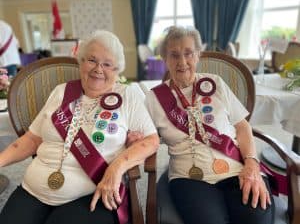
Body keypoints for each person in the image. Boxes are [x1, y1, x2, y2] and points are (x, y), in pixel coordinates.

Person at [0, 30, 159, 224]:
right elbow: (32, 139)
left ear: (118, 70)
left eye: (107, 64)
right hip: (33, 189)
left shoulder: (128, 96)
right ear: (80, 61)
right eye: (91, 60)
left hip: (91, 193)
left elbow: (151, 141)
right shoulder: (61, 92)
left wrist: (117, 168)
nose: (98, 69)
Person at [145, 26, 274, 224]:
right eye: (174, 55)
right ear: (165, 59)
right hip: (190, 177)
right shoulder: (155, 98)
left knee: (257, 217)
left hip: (236, 168)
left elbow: (242, 126)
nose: (182, 62)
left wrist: (252, 163)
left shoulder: (216, 83)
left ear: (197, 55)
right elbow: (145, 137)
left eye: (188, 53)